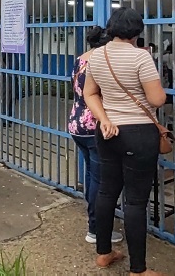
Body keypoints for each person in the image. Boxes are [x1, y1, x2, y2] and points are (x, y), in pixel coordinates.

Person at [83, 7, 167, 276]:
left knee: (107, 192)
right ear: (137, 31)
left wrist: (104, 119)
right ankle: (138, 269)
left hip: (107, 133)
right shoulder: (141, 57)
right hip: (139, 134)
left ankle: (104, 253)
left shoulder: (96, 55)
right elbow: (157, 100)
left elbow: (90, 94)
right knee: (135, 202)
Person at [67, 26, 123, 245]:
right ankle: (97, 229)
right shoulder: (102, 61)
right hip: (95, 126)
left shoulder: (80, 60)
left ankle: (94, 223)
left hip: (76, 124)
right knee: (101, 181)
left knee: (92, 175)